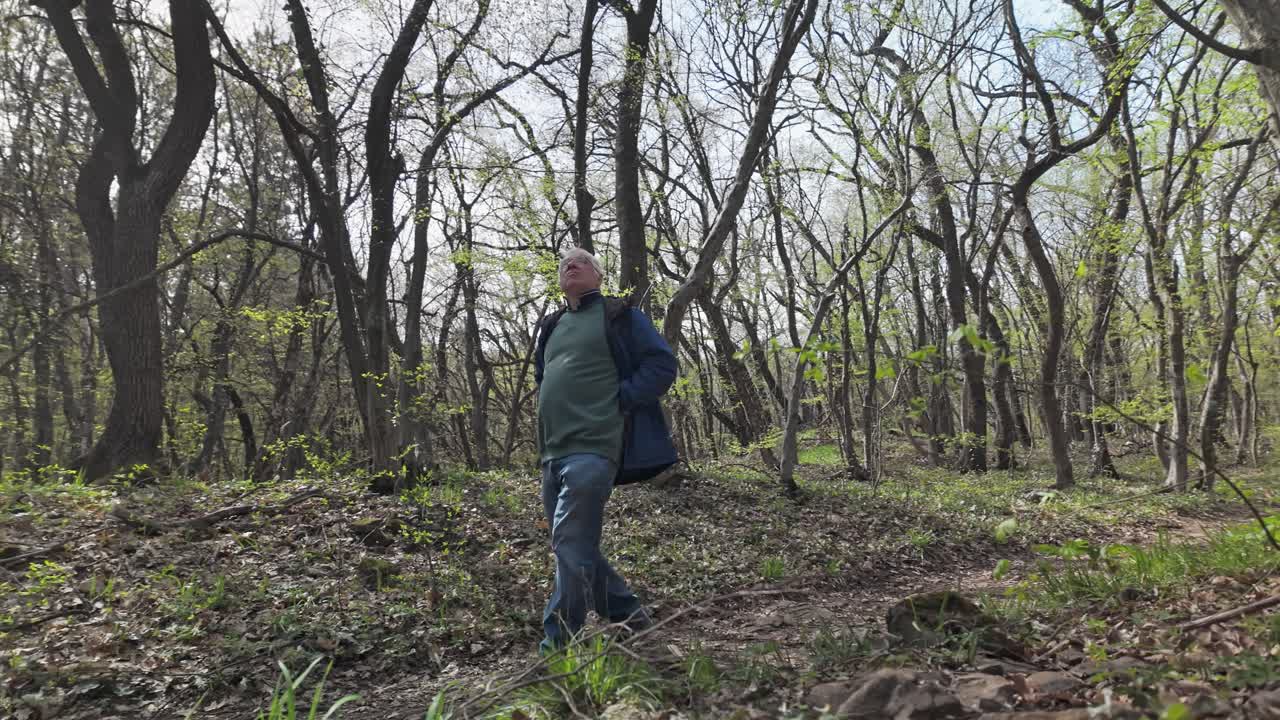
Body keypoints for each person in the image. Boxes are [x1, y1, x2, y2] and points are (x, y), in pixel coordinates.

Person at [533, 247, 678, 653]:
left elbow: (662, 365)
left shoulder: (619, 316)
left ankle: (558, 647)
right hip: (552, 454)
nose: (570, 265)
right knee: (574, 547)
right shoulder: (551, 325)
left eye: (581, 261)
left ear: (598, 275)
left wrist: (620, 399)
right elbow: (545, 379)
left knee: (570, 543)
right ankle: (633, 620)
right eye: (564, 264)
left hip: (594, 449)